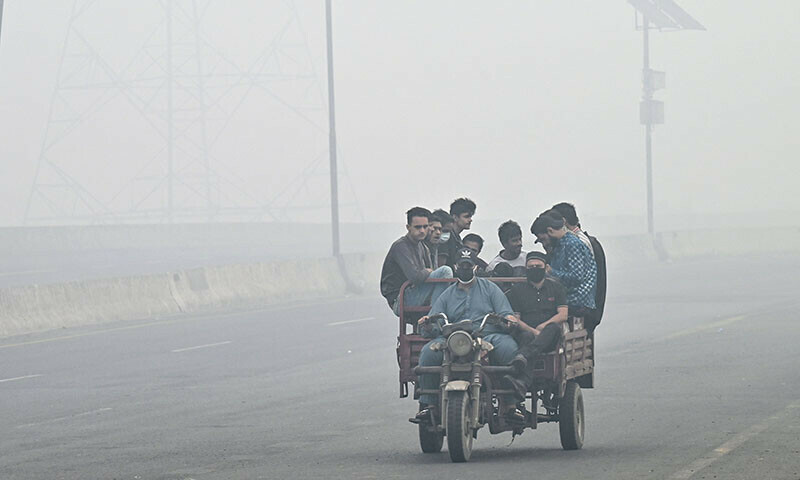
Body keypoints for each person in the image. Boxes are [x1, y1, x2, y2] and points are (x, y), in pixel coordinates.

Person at [412, 248, 520, 423]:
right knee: (428, 353)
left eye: (468, 265)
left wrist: (507, 319)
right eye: (461, 265)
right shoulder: (446, 294)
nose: (465, 269)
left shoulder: (491, 289)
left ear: (475, 267)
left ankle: (510, 404)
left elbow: (505, 313)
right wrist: (427, 322)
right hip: (454, 339)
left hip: (487, 335)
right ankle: (428, 405)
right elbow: (434, 319)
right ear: (455, 267)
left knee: (509, 348)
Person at [502, 251, 568, 399]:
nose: (534, 268)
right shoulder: (517, 290)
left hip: (549, 336)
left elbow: (563, 314)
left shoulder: (556, 287)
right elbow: (516, 319)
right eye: (531, 266)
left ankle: (523, 356)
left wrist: (542, 327)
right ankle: (523, 382)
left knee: (553, 328)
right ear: (526, 268)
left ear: (545, 267)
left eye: (538, 266)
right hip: (527, 332)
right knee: (526, 336)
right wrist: (533, 331)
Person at [380, 207, 453, 315]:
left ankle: (436, 316)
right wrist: (427, 271)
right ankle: (434, 318)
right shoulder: (401, 246)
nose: (422, 231)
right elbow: (415, 277)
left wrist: (428, 271)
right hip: (400, 300)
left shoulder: (423, 247)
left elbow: (431, 272)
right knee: (445, 272)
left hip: (415, 291)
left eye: (425, 227)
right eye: (418, 227)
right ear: (408, 227)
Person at [551, 202, 606, 330]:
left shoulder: (577, 242)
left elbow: (581, 279)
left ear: (563, 221)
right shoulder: (584, 240)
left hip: (585, 310)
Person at [530, 212, 597, 315]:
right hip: (569, 299)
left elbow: (576, 278)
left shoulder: (572, 244)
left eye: (543, 239)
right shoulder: (560, 245)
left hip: (577, 301)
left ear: (550, 231)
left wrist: (551, 272)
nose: (544, 243)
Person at [442, 198, 476, 268]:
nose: (470, 220)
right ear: (455, 217)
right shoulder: (447, 237)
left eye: (471, 216)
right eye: (466, 217)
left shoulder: (457, 238)